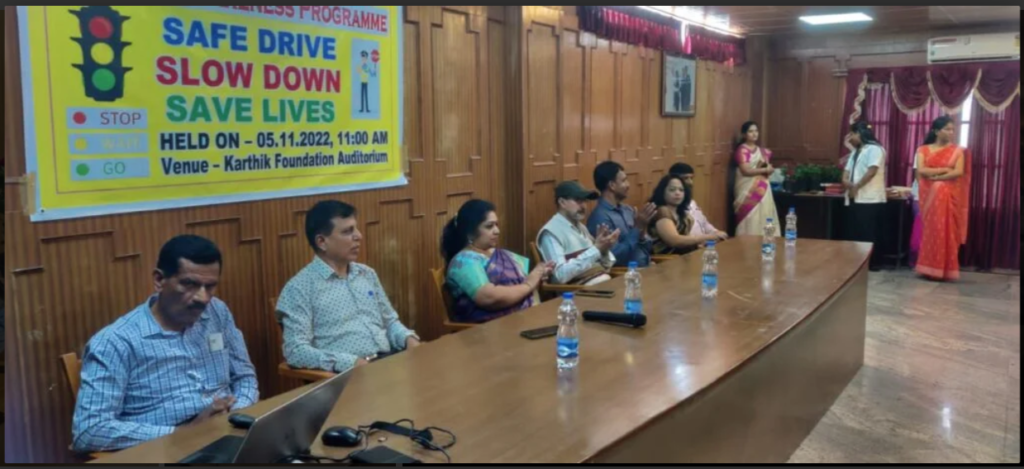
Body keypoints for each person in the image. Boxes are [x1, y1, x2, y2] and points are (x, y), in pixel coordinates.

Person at [72, 235, 259, 453]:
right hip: (163, 450)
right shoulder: (115, 342)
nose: (203, 298)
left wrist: (235, 416)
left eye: (210, 286)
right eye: (189, 284)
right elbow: (89, 430)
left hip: (227, 434)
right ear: (159, 280)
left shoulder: (217, 312)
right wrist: (184, 433)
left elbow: (245, 378)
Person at [277, 200, 420, 374]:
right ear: (322, 242)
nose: (359, 236)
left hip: (389, 364)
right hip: (348, 376)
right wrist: (350, 363)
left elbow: (390, 322)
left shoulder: (367, 274)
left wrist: (409, 339)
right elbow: (296, 351)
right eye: (347, 231)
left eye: (356, 229)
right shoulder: (299, 288)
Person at [442, 200, 554, 323]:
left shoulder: (496, 253)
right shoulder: (464, 261)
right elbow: (489, 297)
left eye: (496, 225)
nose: (497, 231)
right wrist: (529, 284)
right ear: (470, 232)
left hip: (522, 319)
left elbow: (522, 279)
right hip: (491, 329)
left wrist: (539, 274)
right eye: (489, 226)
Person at [915, 116, 970, 281]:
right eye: (947, 129)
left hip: (949, 198)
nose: (951, 132)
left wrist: (936, 176)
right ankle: (928, 268)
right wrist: (944, 170)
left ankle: (944, 270)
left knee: (946, 231)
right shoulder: (922, 149)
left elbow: (958, 172)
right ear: (936, 131)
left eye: (952, 129)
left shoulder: (958, 151)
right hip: (928, 196)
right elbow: (921, 170)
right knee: (931, 231)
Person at [537, 181, 618, 286]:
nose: (584, 206)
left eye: (585, 201)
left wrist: (604, 250)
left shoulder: (580, 227)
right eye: (578, 200)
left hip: (600, 284)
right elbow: (560, 275)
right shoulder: (550, 232)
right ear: (562, 202)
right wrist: (596, 249)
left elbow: (606, 266)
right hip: (576, 292)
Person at [587, 161, 657, 268]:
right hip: (625, 274)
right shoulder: (600, 217)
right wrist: (637, 228)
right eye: (624, 181)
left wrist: (642, 233)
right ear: (612, 185)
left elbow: (648, 249)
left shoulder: (627, 210)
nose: (628, 185)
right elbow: (615, 256)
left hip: (646, 268)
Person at [843, 121, 888, 272]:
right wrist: (846, 182)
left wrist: (856, 186)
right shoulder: (855, 152)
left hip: (871, 198)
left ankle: (872, 263)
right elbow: (846, 172)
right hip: (855, 197)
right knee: (857, 231)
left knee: (869, 232)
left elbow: (871, 171)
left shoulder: (875, 149)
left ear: (860, 133)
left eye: (852, 134)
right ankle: (858, 262)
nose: (850, 138)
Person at [648, 174, 718, 255]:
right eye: (672, 190)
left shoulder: (683, 213)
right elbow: (674, 240)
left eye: (681, 190)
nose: (677, 193)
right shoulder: (662, 211)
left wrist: (698, 244)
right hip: (667, 260)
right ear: (662, 192)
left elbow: (686, 240)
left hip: (685, 257)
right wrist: (709, 237)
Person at [732, 121, 779, 236]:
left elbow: (764, 168)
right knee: (751, 216)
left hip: (763, 189)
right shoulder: (742, 150)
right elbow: (746, 171)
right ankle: (747, 242)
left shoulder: (763, 151)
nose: (754, 134)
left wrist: (769, 170)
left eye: (756, 131)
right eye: (750, 131)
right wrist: (765, 170)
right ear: (744, 134)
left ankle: (767, 240)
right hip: (747, 190)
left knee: (765, 212)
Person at [669, 162, 729, 241]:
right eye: (685, 178)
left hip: (704, 243)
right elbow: (677, 239)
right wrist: (709, 237)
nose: (690, 182)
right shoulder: (668, 207)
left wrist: (715, 232)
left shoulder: (692, 202)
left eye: (691, 178)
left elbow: (704, 223)